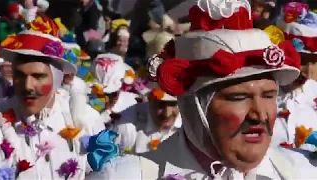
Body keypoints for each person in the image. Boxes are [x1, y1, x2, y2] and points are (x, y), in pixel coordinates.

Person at [86, 0, 317, 179]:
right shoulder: (126, 176)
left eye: (269, 95)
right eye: (238, 97)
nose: (259, 114)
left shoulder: (305, 172)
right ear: (194, 107)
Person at [0, 18, 105, 179]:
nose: (28, 86)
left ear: (56, 80)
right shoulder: (0, 122)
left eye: (38, 76)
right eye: (19, 75)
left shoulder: (85, 121)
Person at [272, 2, 317, 150]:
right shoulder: (258, 93)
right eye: (302, 61)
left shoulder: (314, 92)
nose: (308, 73)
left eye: (314, 62)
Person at [113, 88, 181, 154]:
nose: (167, 114)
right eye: (161, 105)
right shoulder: (127, 126)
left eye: (173, 104)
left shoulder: (188, 124)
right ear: (150, 101)